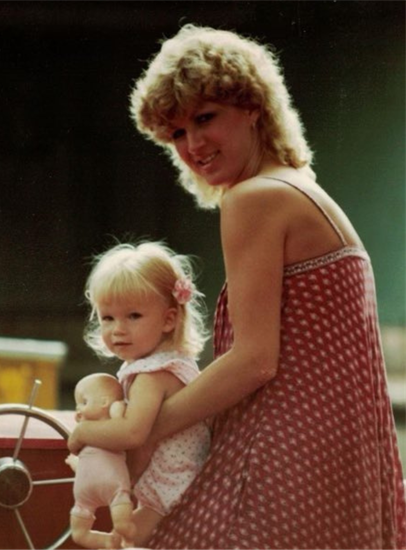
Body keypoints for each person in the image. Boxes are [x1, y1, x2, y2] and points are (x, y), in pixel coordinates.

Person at [127, 24, 406, 550]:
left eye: (205, 118)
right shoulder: (301, 188)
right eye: (177, 134)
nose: (194, 145)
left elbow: (254, 359)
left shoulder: (254, 198)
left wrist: (143, 427)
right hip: (346, 456)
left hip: (285, 452)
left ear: (252, 106)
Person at [68, 241, 211, 549]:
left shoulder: (152, 375)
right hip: (172, 482)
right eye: (108, 318)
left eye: (133, 316)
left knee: (128, 542)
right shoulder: (164, 362)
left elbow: (133, 433)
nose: (118, 330)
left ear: (169, 319)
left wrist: (83, 432)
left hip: (172, 487)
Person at [66, 373, 135, 549]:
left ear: (104, 403)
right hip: (84, 496)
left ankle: (130, 538)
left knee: (122, 524)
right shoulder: (86, 430)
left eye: (83, 402)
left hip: (114, 489)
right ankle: (108, 542)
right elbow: (81, 452)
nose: (78, 409)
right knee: (78, 535)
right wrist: (76, 463)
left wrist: (118, 413)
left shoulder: (112, 425)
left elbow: (121, 433)